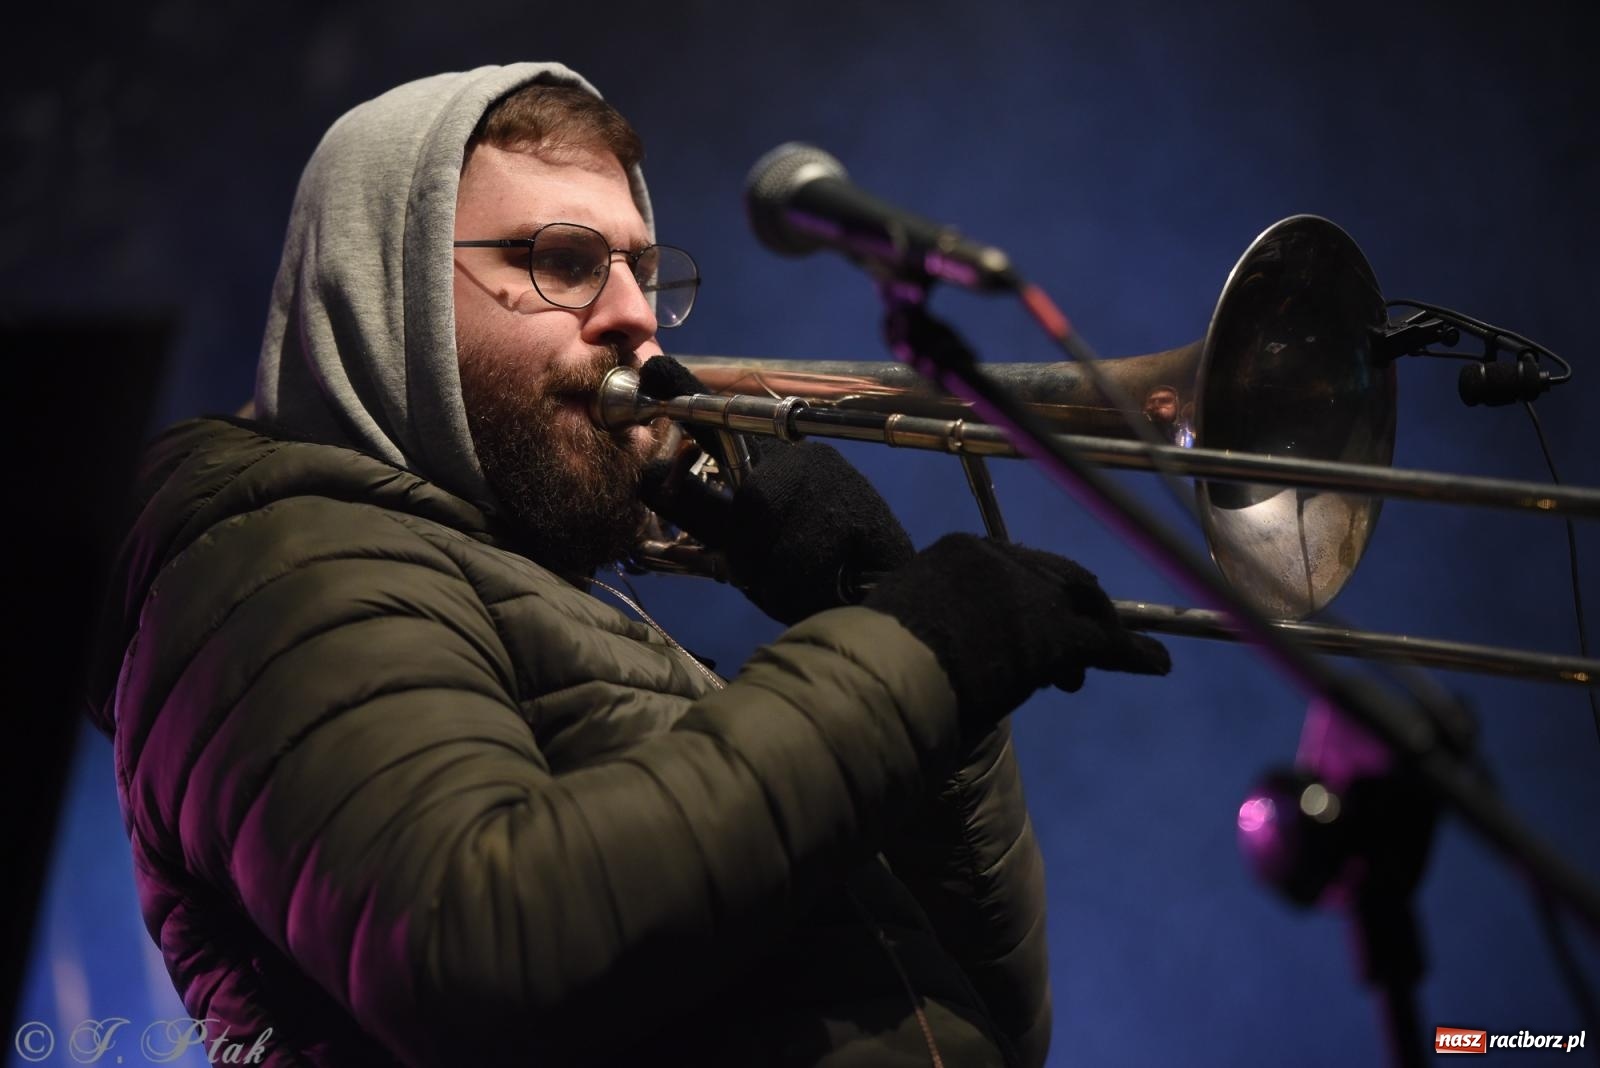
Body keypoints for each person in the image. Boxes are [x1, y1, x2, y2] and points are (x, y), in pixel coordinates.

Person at [85, 62, 1170, 1067]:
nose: (635, 316)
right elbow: (482, 949)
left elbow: (985, 1021)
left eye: (642, 270)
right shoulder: (273, 566)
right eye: (561, 262)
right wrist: (910, 655)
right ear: (390, 293)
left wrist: (934, 701)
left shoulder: (536, 598)